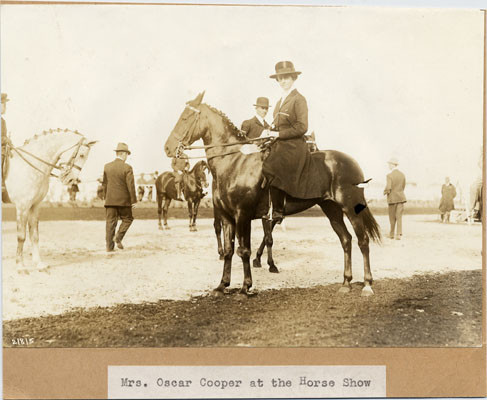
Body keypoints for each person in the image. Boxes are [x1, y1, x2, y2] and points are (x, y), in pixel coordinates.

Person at [262, 61, 321, 224]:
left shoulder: (298, 99)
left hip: (293, 146)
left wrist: (277, 134)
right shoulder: (281, 100)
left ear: (293, 78)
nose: (283, 81)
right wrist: (267, 132)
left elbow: (302, 127)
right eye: (280, 78)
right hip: (280, 143)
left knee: (271, 165)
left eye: (286, 78)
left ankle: (278, 210)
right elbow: (276, 125)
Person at [102, 142, 137, 252]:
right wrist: (134, 200)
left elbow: (104, 184)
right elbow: (130, 185)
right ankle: (118, 237)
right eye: (127, 154)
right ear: (123, 154)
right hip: (123, 201)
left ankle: (109, 248)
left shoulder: (107, 166)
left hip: (110, 200)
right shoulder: (127, 167)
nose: (127, 157)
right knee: (128, 219)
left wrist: (105, 197)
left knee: (110, 223)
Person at [383, 157, 407, 240]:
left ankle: (392, 234)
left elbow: (388, 188)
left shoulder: (389, 175)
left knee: (392, 217)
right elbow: (403, 186)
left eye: (389, 164)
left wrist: (385, 192)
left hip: (392, 199)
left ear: (393, 165)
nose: (388, 166)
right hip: (401, 198)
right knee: (399, 217)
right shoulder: (402, 174)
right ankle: (399, 234)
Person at [2, 93, 11, 203]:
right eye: (3, 104)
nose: (5, 107)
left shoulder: (2, 121)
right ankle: (2, 186)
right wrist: (5, 140)